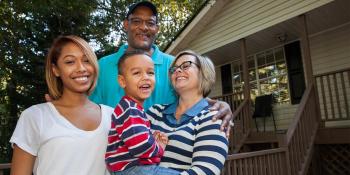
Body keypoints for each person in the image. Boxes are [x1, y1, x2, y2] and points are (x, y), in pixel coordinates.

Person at [89, 1, 234, 136]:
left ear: (156, 29)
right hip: (116, 154)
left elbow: (190, 96)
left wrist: (218, 104)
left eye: (150, 23)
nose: (144, 27)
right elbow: (90, 108)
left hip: (163, 153)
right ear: (126, 25)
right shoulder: (104, 65)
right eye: (137, 21)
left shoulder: (173, 66)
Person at [10, 35, 114, 175]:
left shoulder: (113, 116)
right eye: (70, 62)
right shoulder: (35, 117)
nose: (81, 68)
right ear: (55, 70)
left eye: (86, 60)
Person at [146, 50, 228, 175]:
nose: (178, 70)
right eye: (174, 69)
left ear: (203, 73)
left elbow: (205, 171)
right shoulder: (154, 112)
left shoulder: (212, 118)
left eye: (186, 66)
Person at [105, 50, 179, 175]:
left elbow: (135, 137)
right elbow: (139, 146)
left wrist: (151, 137)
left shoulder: (132, 108)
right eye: (137, 73)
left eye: (150, 72)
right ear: (122, 81)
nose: (145, 77)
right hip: (132, 169)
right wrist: (159, 147)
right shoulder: (130, 109)